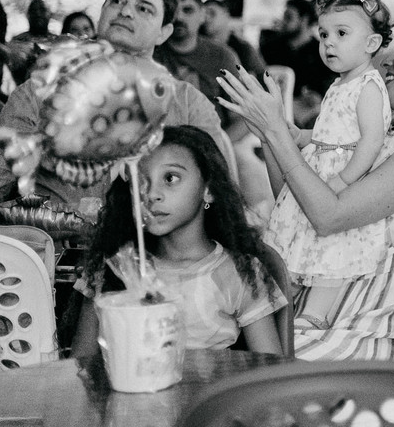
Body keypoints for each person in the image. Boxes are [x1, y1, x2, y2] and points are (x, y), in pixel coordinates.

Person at [217, 17, 394, 361]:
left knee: (224, 362)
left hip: (361, 334)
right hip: (324, 319)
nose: (387, 61)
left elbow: (328, 216)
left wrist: (278, 132)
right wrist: (269, 132)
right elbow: (300, 207)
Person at [0, 0, 226, 212]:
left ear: (164, 32)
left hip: (156, 245)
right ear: (102, 12)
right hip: (60, 245)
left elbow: (217, 194)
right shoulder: (39, 92)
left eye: (144, 8)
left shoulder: (188, 103)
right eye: (116, 1)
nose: (125, 11)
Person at [71, 126, 286, 356]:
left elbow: (270, 371)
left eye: (170, 178)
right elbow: (81, 367)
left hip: (209, 391)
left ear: (208, 190)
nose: (152, 194)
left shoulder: (238, 273)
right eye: (141, 182)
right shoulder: (114, 268)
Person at [265, 0, 392, 330]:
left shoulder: (368, 85)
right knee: (300, 235)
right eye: (323, 35)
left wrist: (343, 180)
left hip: (342, 177)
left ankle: (317, 312)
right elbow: (328, 134)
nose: (328, 43)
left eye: (340, 34)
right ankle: (283, 300)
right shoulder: (338, 84)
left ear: (371, 44)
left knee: (333, 245)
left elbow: (371, 141)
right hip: (321, 170)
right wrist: (300, 136)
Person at [154, 0, 243, 135]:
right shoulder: (151, 52)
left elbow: (242, 117)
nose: (179, 17)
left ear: (202, 15)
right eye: (173, 10)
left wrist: (219, 148)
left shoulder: (222, 57)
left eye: (188, 10)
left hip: (213, 141)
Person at [260, 0, 336, 128]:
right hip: (275, 104)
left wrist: (319, 94)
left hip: (308, 108)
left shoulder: (321, 52)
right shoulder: (271, 48)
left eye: (289, 17)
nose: (283, 22)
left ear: (304, 20)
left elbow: (331, 81)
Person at [202, 0, 267, 79]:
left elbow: (262, 76)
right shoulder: (198, 46)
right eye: (203, 15)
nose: (206, 18)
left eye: (212, 13)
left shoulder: (243, 48)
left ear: (226, 14)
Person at [6, 0, 56, 84]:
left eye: (42, 10)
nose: (38, 14)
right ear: (27, 15)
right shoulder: (17, 41)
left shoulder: (58, 41)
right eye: (33, 10)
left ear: (50, 14)